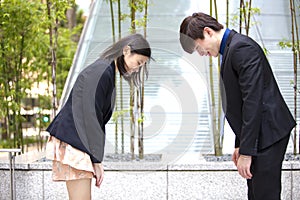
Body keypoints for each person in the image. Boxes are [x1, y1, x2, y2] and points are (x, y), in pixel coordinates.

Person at [179, 12, 296, 200]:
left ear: (207, 32)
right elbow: (241, 104)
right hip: (259, 135)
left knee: (264, 194)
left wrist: (247, 151)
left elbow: (253, 101)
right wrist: (240, 145)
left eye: (199, 48)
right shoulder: (230, 48)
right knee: (256, 193)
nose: (202, 54)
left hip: (268, 133)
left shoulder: (241, 48)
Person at [46, 33, 152, 200]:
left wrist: (96, 158)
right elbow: (91, 116)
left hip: (75, 140)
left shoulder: (105, 70)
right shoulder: (102, 71)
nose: (137, 68)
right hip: (74, 141)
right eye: (138, 63)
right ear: (126, 51)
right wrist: (96, 160)